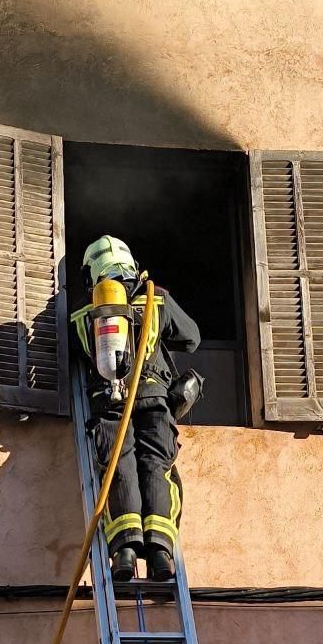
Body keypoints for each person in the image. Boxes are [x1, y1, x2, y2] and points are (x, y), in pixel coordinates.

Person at [71, 235, 201, 582]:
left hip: (110, 405)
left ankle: (124, 553)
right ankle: (160, 554)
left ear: (91, 274)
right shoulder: (156, 299)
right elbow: (192, 338)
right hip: (155, 403)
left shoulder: (84, 313)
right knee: (156, 467)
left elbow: (64, 358)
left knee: (118, 469)